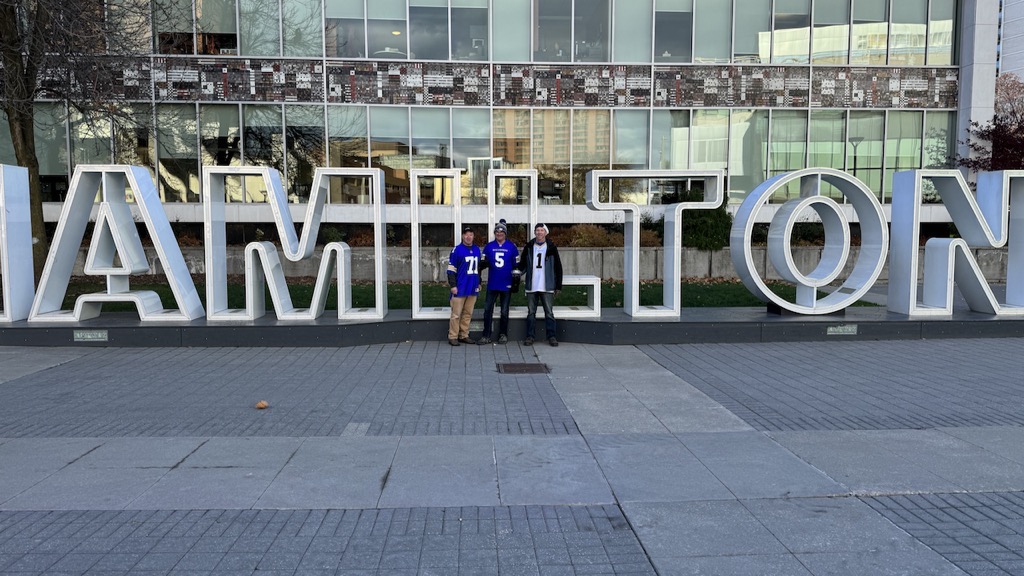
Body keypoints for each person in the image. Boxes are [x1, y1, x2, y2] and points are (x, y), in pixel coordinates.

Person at [517, 223, 563, 346]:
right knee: (531, 312)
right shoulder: (529, 246)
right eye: (537, 230)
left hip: (546, 285)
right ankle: (530, 336)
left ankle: (552, 336)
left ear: (545, 233)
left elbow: (558, 267)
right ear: (534, 232)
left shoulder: (551, 247)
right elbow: (523, 264)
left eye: (542, 230)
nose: (539, 232)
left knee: (549, 312)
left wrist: (558, 285)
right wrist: (517, 272)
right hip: (532, 285)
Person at [479, 219, 520, 345]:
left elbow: (517, 266)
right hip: (493, 283)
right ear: (494, 233)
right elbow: (482, 264)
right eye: (497, 232)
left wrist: (516, 280)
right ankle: (486, 335)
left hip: (506, 283)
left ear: (505, 233)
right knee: (487, 310)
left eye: (502, 232)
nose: (499, 234)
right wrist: (482, 265)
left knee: (504, 311)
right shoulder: (489, 246)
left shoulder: (512, 247)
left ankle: (503, 334)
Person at [447, 226, 482, 346]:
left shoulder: (477, 249)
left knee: (468, 313)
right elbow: (451, 270)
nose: (468, 237)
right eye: (466, 234)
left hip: (472, 286)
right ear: (462, 236)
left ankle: (464, 335)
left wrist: (479, 282)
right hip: (460, 286)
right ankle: (453, 336)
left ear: (473, 236)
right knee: (456, 314)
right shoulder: (456, 250)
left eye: (471, 234)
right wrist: (453, 285)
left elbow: (478, 268)